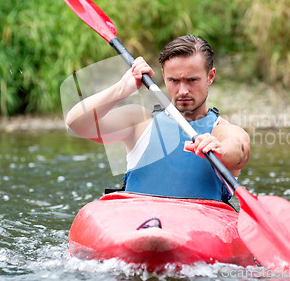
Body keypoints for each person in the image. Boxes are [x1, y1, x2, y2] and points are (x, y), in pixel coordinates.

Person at [66, 35, 250, 201]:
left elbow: (239, 150)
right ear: (163, 76)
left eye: (192, 80)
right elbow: (75, 124)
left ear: (210, 77)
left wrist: (219, 149)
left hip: (198, 232)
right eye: (174, 81)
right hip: (139, 227)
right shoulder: (139, 123)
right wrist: (121, 89)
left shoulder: (222, 131)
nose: (183, 90)